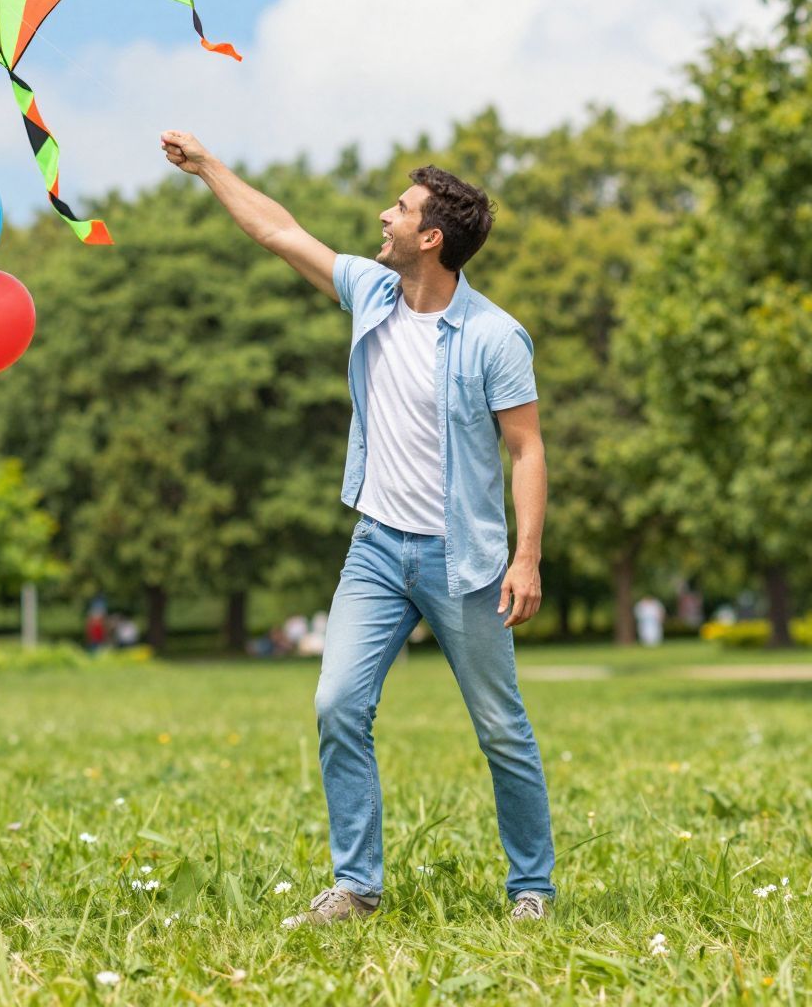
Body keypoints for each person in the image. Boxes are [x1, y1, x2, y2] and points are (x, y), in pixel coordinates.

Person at [163, 131, 555, 928]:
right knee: (338, 702)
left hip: (464, 559)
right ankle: (357, 887)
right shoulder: (372, 294)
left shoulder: (493, 337)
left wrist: (526, 557)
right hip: (376, 549)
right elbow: (277, 229)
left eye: (401, 209)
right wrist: (208, 167)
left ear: (432, 238)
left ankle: (532, 890)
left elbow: (527, 448)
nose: (385, 215)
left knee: (500, 728)